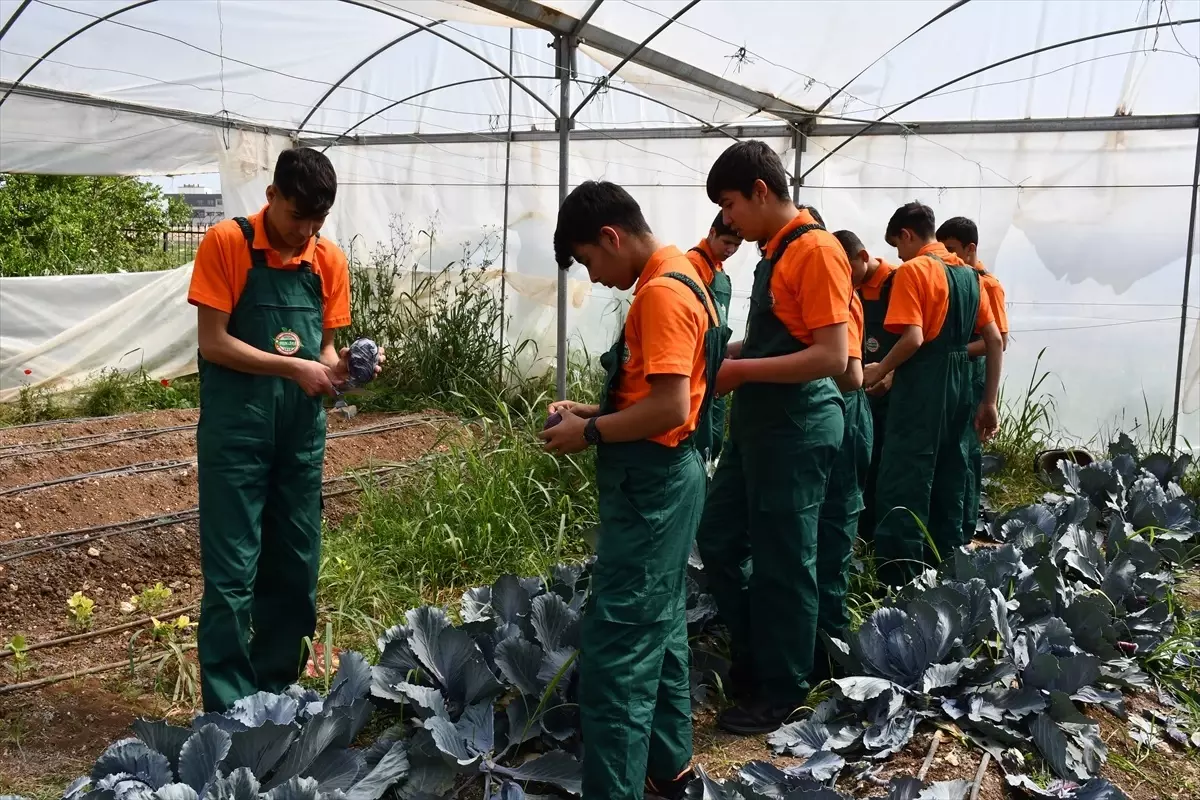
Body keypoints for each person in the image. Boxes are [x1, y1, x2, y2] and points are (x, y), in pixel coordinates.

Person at [539, 181, 723, 800]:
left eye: (591, 260)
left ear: (611, 237)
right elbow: (667, 396)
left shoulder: (660, 297)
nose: (598, 276)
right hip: (671, 478)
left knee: (619, 647)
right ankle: (671, 770)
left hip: (654, 489)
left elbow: (670, 408)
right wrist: (593, 408)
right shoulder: (684, 274)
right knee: (663, 625)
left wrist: (588, 431)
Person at [188, 147, 383, 712]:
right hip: (237, 435)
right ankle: (227, 708)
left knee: (296, 568)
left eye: (316, 223)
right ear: (271, 197)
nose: (304, 232)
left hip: (300, 435)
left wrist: (339, 370)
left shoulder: (327, 260)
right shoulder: (228, 243)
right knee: (231, 575)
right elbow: (213, 341)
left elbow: (323, 349)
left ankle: (277, 695)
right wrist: (292, 367)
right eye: (296, 218)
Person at [694, 140, 851, 734]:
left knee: (785, 560)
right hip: (761, 426)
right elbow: (778, 341)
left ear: (760, 192)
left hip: (797, 426)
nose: (727, 219)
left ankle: (783, 689)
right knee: (719, 536)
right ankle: (759, 658)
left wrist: (737, 372)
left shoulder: (815, 251)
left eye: (730, 205)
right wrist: (720, 356)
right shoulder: (775, 253)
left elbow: (833, 356)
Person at [862, 202, 1002, 585]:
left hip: (925, 382)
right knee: (950, 472)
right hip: (960, 384)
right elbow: (993, 339)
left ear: (907, 235)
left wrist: (881, 368)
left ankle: (899, 575)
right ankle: (946, 568)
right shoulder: (971, 277)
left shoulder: (914, 271)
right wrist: (988, 402)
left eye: (897, 246)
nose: (898, 255)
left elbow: (914, 338)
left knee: (906, 473)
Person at [811, 266, 873, 685]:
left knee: (832, 535)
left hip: (845, 413)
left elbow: (850, 375)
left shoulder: (834, 296)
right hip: (844, 413)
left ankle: (830, 658)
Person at [936, 216, 1009, 542]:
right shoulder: (956, 278)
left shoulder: (986, 284)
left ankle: (962, 534)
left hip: (974, 377)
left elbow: (998, 341)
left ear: (971, 249)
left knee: (966, 457)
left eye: (951, 249)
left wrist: (954, 352)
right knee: (953, 454)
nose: (946, 257)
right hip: (957, 376)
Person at [834, 230, 896, 542]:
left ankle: (874, 535)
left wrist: (890, 372)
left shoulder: (896, 281)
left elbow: (919, 338)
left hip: (889, 388)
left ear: (862, 257)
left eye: (847, 267)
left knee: (884, 465)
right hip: (862, 389)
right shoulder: (849, 291)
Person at [685, 211, 742, 462]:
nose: (731, 250)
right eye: (726, 242)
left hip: (715, 362)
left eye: (737, 245)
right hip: (699, 364)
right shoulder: (693, 264)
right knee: (699, 434)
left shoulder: (717, 266)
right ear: (712, 233)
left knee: (714, 437)